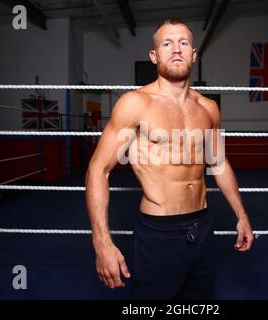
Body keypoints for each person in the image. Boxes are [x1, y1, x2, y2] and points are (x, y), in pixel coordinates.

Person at [85, 18, 254, 300]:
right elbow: (98, 170)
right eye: (167, 43)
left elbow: (219, 163)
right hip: (158, 233)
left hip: (203, 226)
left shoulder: (209, 108)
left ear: (194, 54)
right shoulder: (136, 103)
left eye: (183, 43)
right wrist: (101, 242)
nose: (176, 49)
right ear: (154, 56)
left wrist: (241, 214)